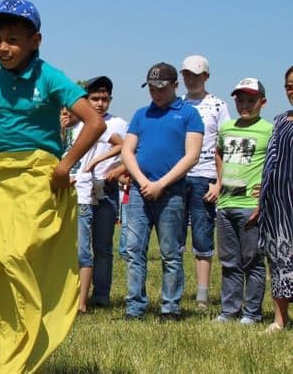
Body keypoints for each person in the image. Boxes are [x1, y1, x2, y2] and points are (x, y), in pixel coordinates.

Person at [0, 0, 105, 372]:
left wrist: (65, 165)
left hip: (40, 178)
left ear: (36, 41)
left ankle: (32, 337)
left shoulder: (50, 77)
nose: (2, 47)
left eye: (12, 39)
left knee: (19, 257)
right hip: (3, 177)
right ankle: (9, 339)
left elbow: (95, 122)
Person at [120, 62, 205, 321]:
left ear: (174, 86)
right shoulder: (140, 114)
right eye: (152, 88)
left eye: (162, 88)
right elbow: (127, 151)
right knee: (134, 250)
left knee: (170, 252)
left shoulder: (189, 114)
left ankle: (170, 307)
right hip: (138, 190)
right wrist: (142, 180)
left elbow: (191, 156)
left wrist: (160, 184)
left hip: (172, 191)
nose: (156, 93)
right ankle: (134, 307)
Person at [214, 78, 270, 325]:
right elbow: (218, 152)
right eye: (240, 100)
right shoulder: (226, 128)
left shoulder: (269, 130)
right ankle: (229, 310)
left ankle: (252, 313)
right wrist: (219, 181)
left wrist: (264, 195)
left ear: (263, 102)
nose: (245, 105)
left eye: (251, 100)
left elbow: (277, 163)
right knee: (229, 262)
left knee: (253, 261)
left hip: (251, 206)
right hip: (226, 204)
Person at [180, 55, 232, 308]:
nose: (191, 80)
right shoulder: (176, 105)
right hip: (178, 177)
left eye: (196, 75)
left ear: (206, 77)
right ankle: (175, 290)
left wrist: (219, 183)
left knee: (202, 237)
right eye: (187, 75)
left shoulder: (218, 106)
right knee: (174, 237)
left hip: (205, 176)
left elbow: (226, 145)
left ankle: (202, 296)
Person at [73, 76, 128, 313]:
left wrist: (119, 169)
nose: (100, 103)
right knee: (81, 245)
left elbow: (129, 151)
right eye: (95, 98)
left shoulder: (118, 123)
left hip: (106, 187)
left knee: (103, 246)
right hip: (80, 188)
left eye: (104, 99)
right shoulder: (76, 123)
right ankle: (77, 293)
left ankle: (101, 294)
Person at [258, 67, 293, 334]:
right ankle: (280, 320)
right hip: (278, 205)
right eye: (289, 86)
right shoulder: (280, 120)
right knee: (279, 260)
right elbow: (271, 160)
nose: (292, 90)